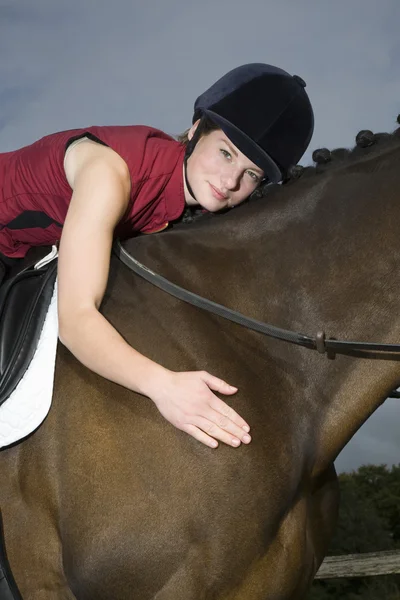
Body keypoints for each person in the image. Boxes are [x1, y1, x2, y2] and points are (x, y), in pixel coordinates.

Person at [0, 63, 314, 449]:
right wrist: (163, 387)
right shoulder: (108, 175)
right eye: (226, 154)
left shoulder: (189, 201)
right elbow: (76, 320)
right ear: (196, 130)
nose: (231, 182)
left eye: (251, 175)